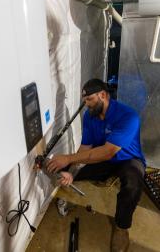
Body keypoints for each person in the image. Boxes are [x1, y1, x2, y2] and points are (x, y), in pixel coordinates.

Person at [47, 78, 146, 252]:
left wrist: (69, 159)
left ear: (102, 95)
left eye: (89, 100)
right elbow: (86, 148)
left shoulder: (128, 116)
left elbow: (108, 151)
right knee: (64, 168)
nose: (86, 105)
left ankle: (122, 228)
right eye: (84, 101)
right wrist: (71, 171)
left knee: (133, 183)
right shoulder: (90, 116)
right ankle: (79, 188)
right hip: (104, 159)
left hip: (128, 159)